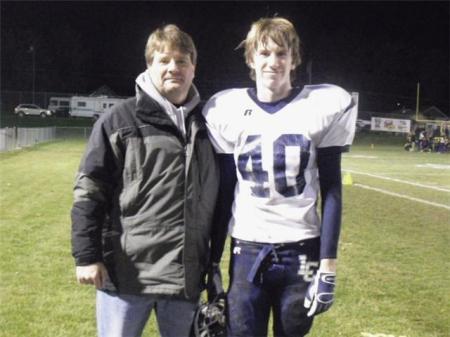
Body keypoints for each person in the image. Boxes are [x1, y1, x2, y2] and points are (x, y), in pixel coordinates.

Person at [202, 17, 357, 337]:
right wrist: (214, 259)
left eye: (282, 53)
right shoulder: (225, 108)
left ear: (294, 58)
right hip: (247, 250)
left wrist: (328, 265)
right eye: (264, 53)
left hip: (302, 253)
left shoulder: (321, 105)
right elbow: (225, 190)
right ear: (251, 58)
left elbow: (331, 190)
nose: (273, 62)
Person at [71, 24, 222, 337]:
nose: (173, 68)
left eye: (182, 61)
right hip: (127, 277)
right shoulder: (119, 120)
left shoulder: (212, 125)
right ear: (149, 65)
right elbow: (89, 190)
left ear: (193, 67)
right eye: (163, 60)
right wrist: (87, 256)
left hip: (186, 277)